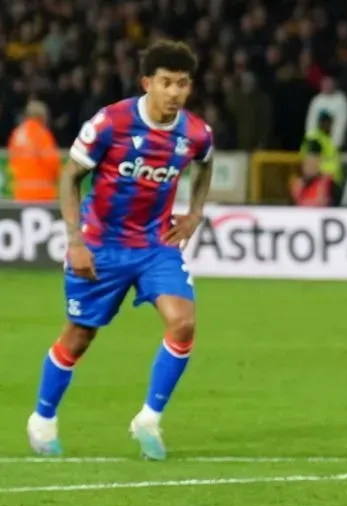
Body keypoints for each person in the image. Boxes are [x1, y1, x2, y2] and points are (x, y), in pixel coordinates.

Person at [26, 41, 215, 460]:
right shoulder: (111, 123)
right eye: (165, 83)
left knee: (183, 322)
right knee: (79, 337)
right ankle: (42, 417)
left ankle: (148, 418)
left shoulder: (195, 133)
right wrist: (75, 240)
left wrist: (196, 211)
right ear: (147, 82)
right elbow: (69, 178)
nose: (174, 92)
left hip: (154, 245)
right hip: (100, 245)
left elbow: (206, 162)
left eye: (182, 84)